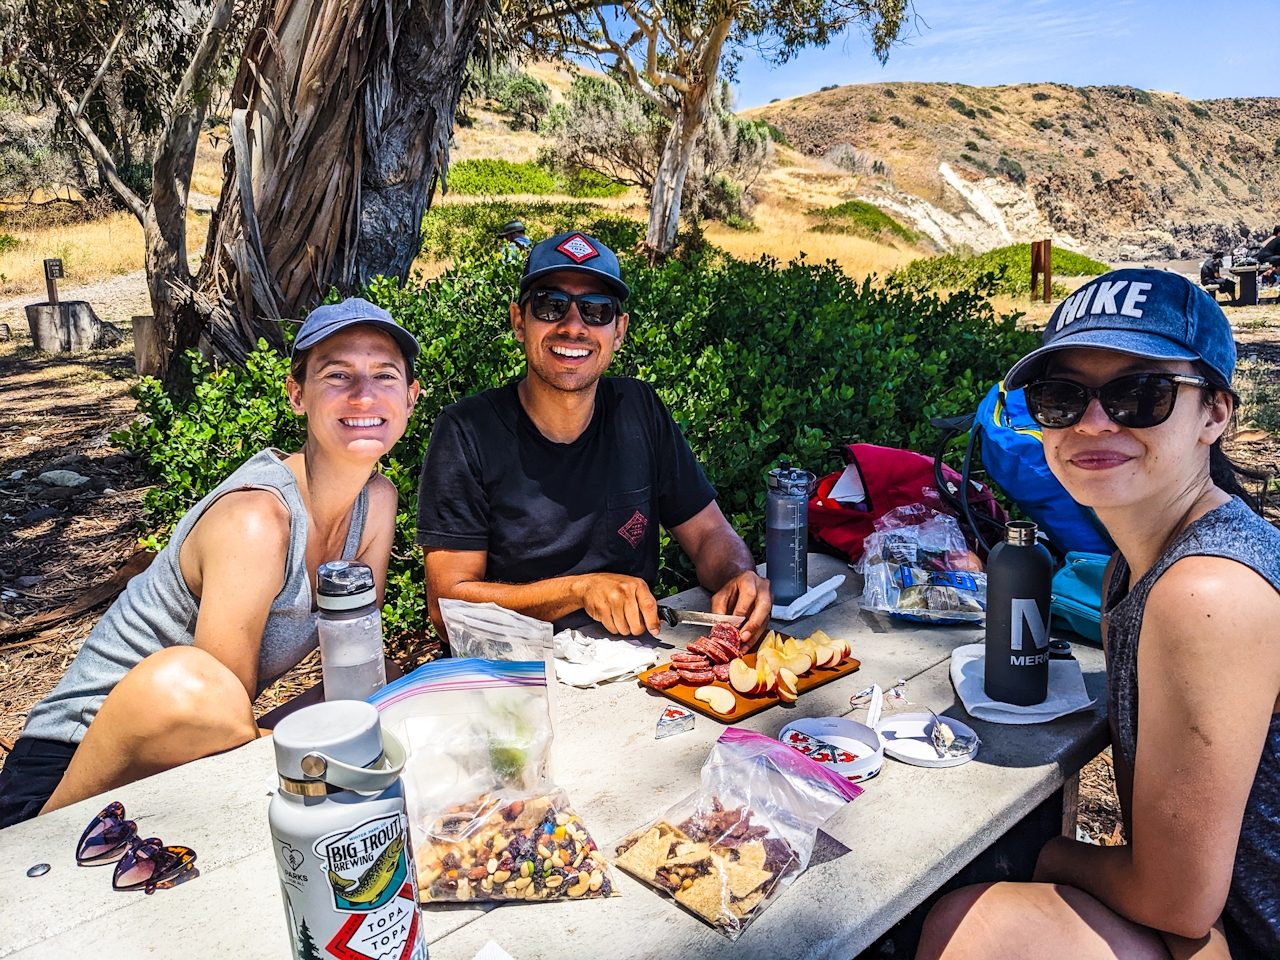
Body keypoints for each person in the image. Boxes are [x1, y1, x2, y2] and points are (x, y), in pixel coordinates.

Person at [917, 270, 1280, 960]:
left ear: (1215, 413)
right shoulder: (1132, 564)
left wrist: (1053, 856)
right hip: (1217, 921)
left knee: (971, 926)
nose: (1093, 422)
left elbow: (1177, 899)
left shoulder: (1208, 591)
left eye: (1141, 394)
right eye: (1060, 397)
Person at [0, 298, 421, 828]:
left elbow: (352, 659)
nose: (364, 393)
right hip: (73, 763)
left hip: (200, 742)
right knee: (197, 684)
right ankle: (36, 843)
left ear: (410, 398)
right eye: (337, 374)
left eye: (384, 375)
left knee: (383, 680)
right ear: (297, 395)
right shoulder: (257, 518)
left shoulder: (376, 501)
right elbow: (218, 709)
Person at [417, 232, 773, 645]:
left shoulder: (639, 408)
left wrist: (738, 576)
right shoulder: (466, 431)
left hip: (633, 667)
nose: (573, 327)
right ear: (519, 321)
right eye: (550, 306)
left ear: (618, 331)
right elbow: (448, 607)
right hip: (514, 677)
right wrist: (579, 590)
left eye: (596, 310)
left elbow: (709, 533)